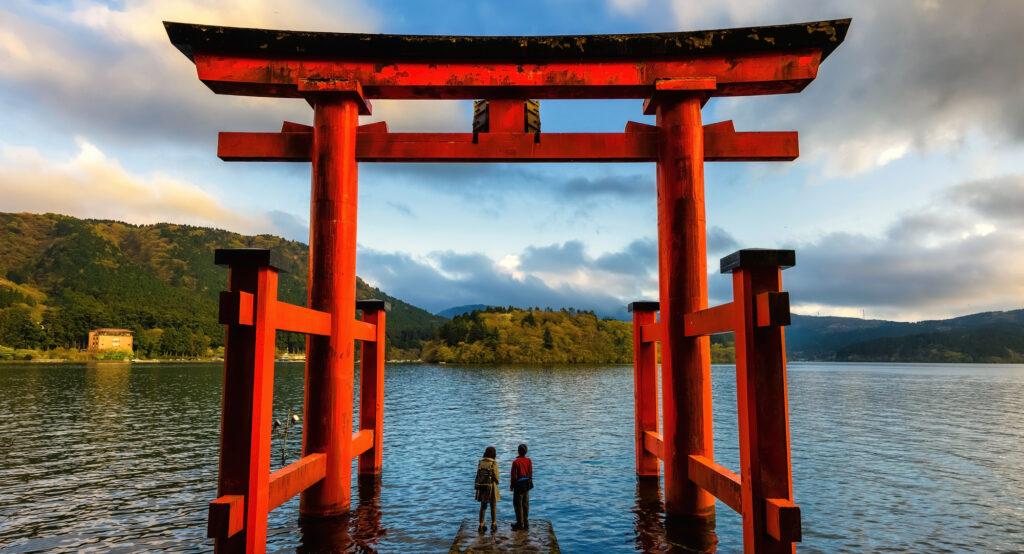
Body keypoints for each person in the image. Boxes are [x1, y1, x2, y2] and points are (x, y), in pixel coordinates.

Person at [475, 446, 500, 532]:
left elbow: (478, 475)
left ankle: (481, 525)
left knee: (483, 506)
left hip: (482, 487)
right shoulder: (494, 463)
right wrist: (497, 482)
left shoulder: (480, 462)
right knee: (493, 505)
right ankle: (493, 524)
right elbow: (497, 478)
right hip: (491, 487)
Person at [510, 443, 533, 531]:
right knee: (525, 504)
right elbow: (530, 472)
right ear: (526, 452)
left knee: (517, 504)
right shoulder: (529, 460)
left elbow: (514, 476)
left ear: (518, 451)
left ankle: (520, 524)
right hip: (527, 484)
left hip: (518, 485)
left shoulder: (515, 462)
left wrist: (512, 486)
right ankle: (526, 522)